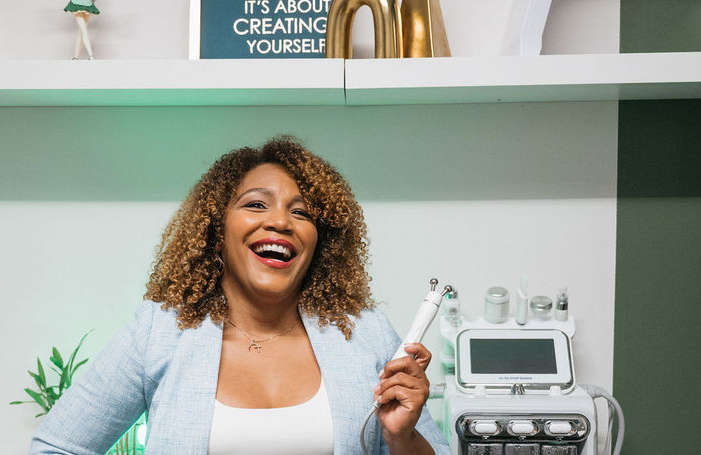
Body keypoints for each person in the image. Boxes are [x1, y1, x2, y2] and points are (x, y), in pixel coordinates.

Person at [29, 137, 451, 454]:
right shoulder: (160, 333)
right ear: (216, 228)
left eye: (301, 212)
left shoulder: (366, 335)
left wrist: (403, 438)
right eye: (256, 205)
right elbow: (55, 448)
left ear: (320, 242)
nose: (281, 222)